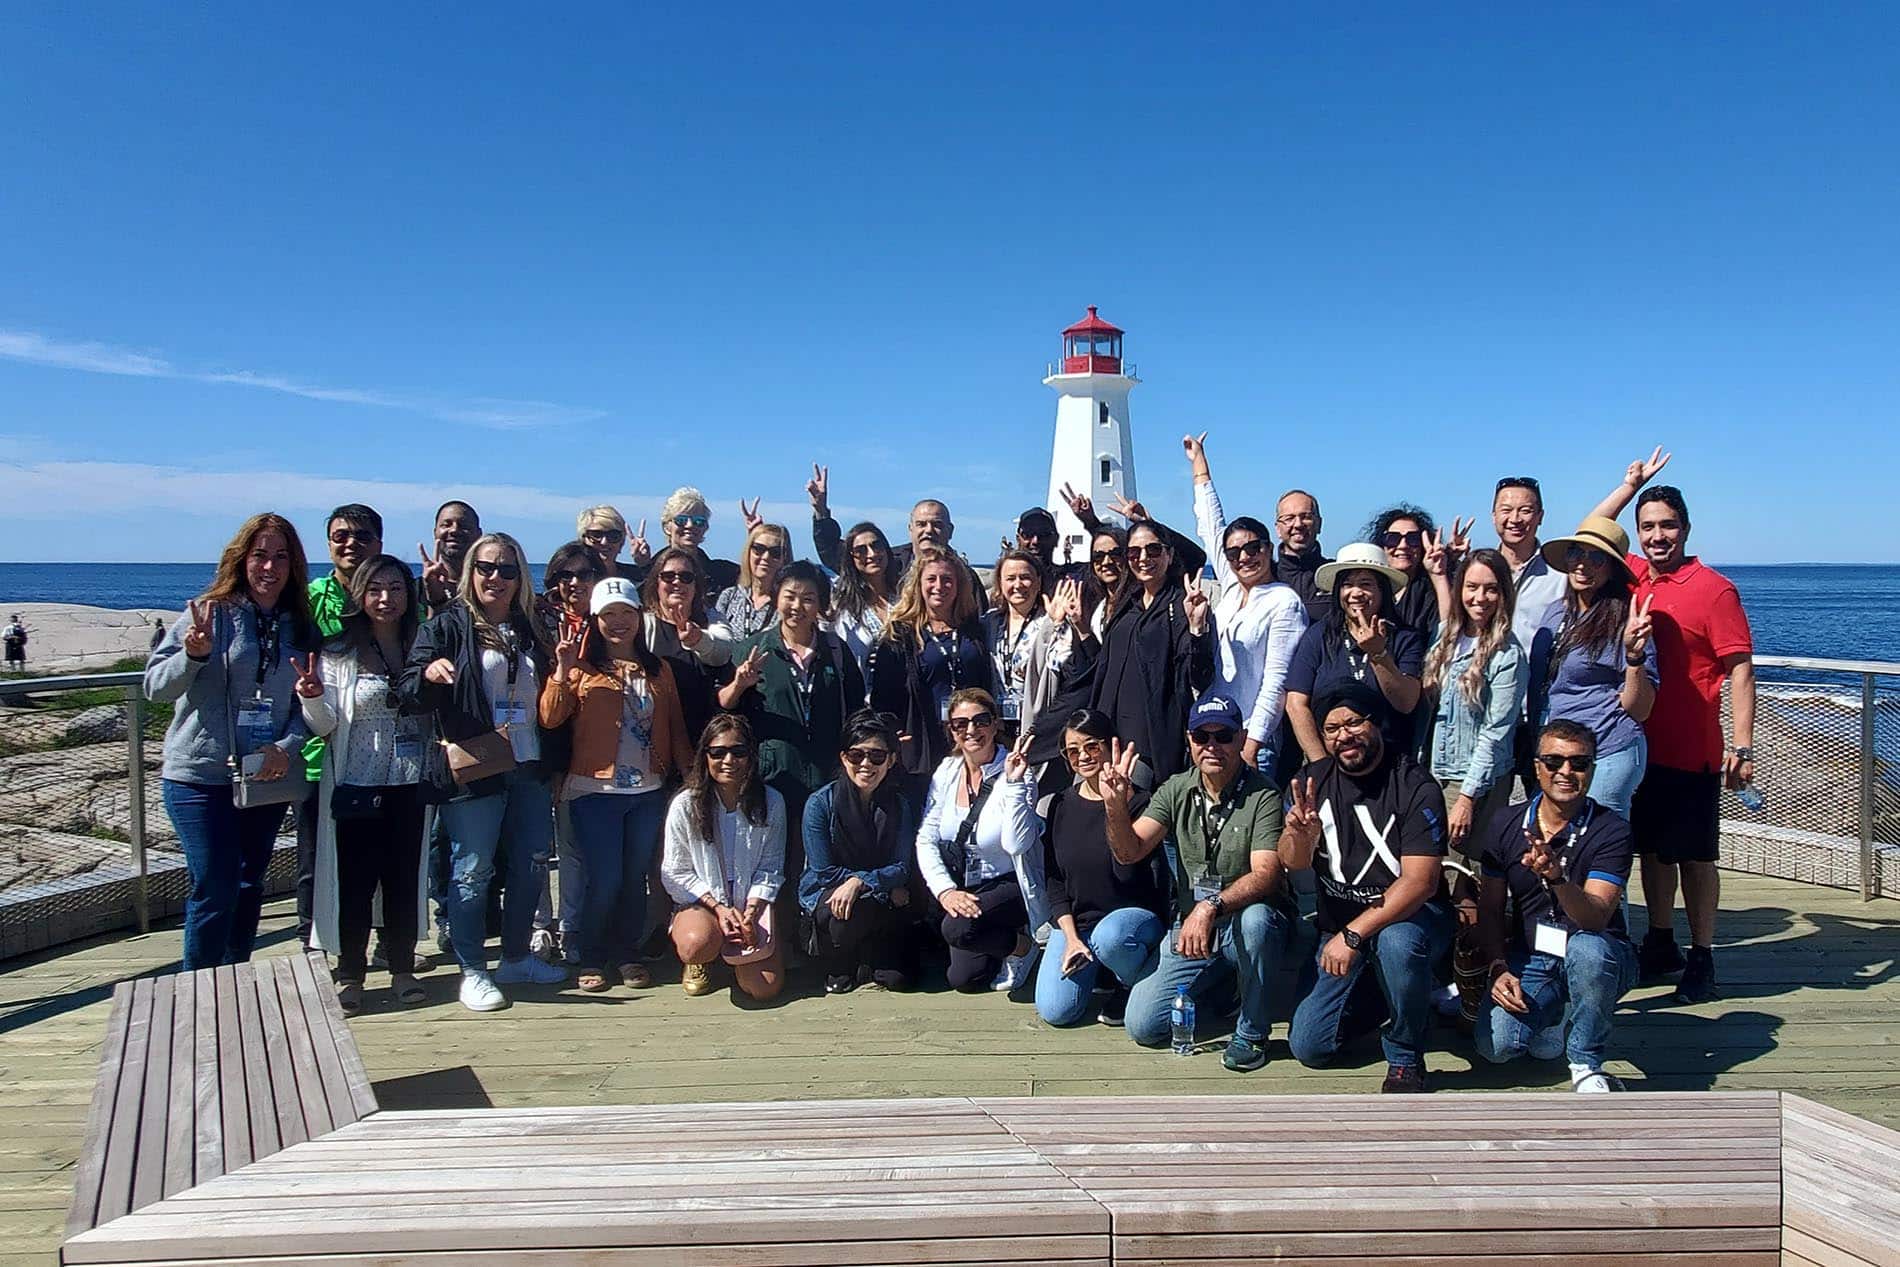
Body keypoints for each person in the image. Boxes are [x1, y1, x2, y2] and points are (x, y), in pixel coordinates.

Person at [1593, 473, 1756, 1003]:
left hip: (1693, 749)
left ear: (1685, 528)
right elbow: (1593, 530)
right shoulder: (1636, 576)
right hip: (1638, 745)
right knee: (1653, 853)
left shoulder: (1714, 589)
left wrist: (1742, 745)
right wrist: (1628, 486)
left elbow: (1740, 670)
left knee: (1695, 856)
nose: (1657, 536)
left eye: (1667, 526)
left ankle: (1702, 956)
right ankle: (1660, 941)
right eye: (1647, 527)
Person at [145, 513, 318, 971]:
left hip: (264, 774)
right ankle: (198, 987)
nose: (269, 567)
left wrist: (287, 746)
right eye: (260, 555)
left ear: (294, 566)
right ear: (242, 560)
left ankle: (234, 976)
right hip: (199, 776)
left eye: (281, 557)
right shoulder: (210, 612)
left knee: (248, 884)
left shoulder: (298, 625)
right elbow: (155, 687)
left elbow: (308, 707)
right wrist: (192, 655)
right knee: (217, 882)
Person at [403, 531, 567, 1013]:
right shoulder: (448, 626)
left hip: (528, 761)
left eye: (508, 569)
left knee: (532, 862)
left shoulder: (534, 626)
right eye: (486, 568)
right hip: (476, 763)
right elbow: (408, 685)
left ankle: (515, 956)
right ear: (470, 572)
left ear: (521, 578)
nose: (496, 578)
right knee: (472, 869)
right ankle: (472, 968)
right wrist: (429, 674)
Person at [1104, 695, 1294, 1071]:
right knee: (1142, 1026)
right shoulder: (1175, 788)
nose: (1212, 746)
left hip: (1240, 920)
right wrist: (1115, 807)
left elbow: (1266, 873)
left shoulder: (1264, 793)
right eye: (1201, 736)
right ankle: (1223, 984)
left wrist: (1210, 907)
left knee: (1257, 921)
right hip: (1194, 929)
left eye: (1222, 735)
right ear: (1189, 740)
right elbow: (1130, 851)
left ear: (1241, 738)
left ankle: (1253, 1032)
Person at [1281, 681, 1453, 1092]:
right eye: (1332, 729)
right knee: (1310, 1046)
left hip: (1410, 920)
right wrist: (1300, 837)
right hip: (1341, 926)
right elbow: (1291, 861)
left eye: (1354, 723)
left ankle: (1405, 1055)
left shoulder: (1415, 785)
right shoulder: (1312, 781)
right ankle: (1395, 995)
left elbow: (1420, 882)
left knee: (1397, 945)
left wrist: (1354, 934)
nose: (1344, 736)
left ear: (1375, 724)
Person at [539, 576, 694, 993]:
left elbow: (676, 727)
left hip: (647, 791)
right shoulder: (583, 669)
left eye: (626, 612)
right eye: (609, 614)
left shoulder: (658, 669)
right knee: (603, 877)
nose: (619, 622)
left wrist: (692, 777)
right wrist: (562, 671)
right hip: (594, 791)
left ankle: (626, 953)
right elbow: (551, 718)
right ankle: (592, 955)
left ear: (639, 616)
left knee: (633, 878)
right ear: (595, 619)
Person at [1474, 719, 1639, 1092]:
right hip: (1533, 955)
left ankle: (1586, 1061)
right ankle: (1559, 1013)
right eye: (1553, 761)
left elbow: (1596, 918)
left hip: (1601, 951)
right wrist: (1497, 967)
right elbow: (1490, 908)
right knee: (1498, 1046)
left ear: (1592, 770)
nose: (1566, 771)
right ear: (1537, 768)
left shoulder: (1612, 830)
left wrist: (1556, 878)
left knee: (1588, 950)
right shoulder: (1505, 822)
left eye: (1579, 763)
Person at [298, 553, 429, 1013]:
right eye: (375, 589)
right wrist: (313, 699)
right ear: (359, 595)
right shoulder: (338, 653)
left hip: (410, 781)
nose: (386, 598)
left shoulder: (423, 646)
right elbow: (325, 725)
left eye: (395, 588)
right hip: (357, 781)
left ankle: (402, 968)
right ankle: (351, 973)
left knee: (402, 880)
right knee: (354, 882)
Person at [719, 562, 866, 875]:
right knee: (777, 870)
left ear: (821, 604)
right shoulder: (752, 649)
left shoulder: (836, 651)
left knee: (826, 865)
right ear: (776, 598)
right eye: (790, 596)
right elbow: (724, 709)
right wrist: (740, 684)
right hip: (774, 779)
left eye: (808, 598)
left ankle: (819, 924)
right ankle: (783, 926)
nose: (797, 606)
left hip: (827, 778)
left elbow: (855, 712)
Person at [1033, 709, 1171, 1028]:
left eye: (1092, 746)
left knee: (1112, 937)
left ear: (1111, 747)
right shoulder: (1059, 805)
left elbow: (1126, 873)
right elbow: (1055, 881)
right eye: (1073, 751)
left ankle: (1128, 982)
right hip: (1080, 925)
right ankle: (1103, 969)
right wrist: (1070, 938)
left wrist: (1115, 805)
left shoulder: (1143, 804)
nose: (1083, 756)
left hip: (1130, 923)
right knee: (1056, 1010)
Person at [1184, 432, 1308, 778]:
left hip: (1253, 738)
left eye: (1253, 548)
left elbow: (1276, 681)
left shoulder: (1285, 602)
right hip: (1212, 731)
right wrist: (1199, 466)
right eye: (1235, 552)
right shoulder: (1232, 587)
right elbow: (1211, 526)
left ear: (1268, 548)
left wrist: (1252, 745)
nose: (1244, 557)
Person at [914, 689, 1045, 993]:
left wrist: (1012, 783)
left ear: (996, 724)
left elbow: (1015, 844)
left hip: (1009, 883)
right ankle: (991, 934)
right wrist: (945, 891)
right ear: (952, 731)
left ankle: (1023, 947)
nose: (971, 730)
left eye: (980, 721)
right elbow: (926, 837)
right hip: (964, 884)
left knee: (957, 928)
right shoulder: (946, 771)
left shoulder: (1019, 774)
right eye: (961, 724)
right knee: (965, 979)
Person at [297, 503, 384, 951]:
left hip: (382, 757)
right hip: (318, 753)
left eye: (362, 536)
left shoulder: (393, 596)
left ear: (379, 544)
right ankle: (314, 946)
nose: (351, 544)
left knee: (384, 859)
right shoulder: (310, 599)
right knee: (317, 859)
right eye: (341, 536)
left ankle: (387, 942)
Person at [1528, 517, 1657, 818]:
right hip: (1559, 750)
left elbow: (1640, 709)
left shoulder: (1625, 619)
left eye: (1596, 557)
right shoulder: (1557, 611)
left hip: (1607, 748)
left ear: (1611, 568)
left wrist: (1634, 656)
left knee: (1599, 843)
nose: (1583, 564)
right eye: (1576, 553)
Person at [661, 713, 787, 1001]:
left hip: (749, 904)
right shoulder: (684, 805)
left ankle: (737, 961)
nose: (728, 760)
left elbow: (771, 866)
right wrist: (718, 908)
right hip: (703, 904)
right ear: (705, 756)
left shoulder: (772, 801)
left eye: (738, 751)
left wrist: (752, 911)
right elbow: (674, 872)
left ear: (750, 756)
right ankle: (702, 959)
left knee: (764, 989)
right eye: (718, 752)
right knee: (696, 944)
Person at [1089, 518, 1215, 789]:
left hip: (1149, 741)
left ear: (1169, 555)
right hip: (1108, 735)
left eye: (1154, 550)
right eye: (1134, 552)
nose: (1143, 558)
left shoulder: (1180, 605)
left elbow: (1199, 676)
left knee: (1135, 814)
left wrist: (1197, 629)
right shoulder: (1127, 602)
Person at [799, 710, 917, 992]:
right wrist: (873, 883)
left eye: (877, 756)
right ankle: (840, 958)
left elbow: (902, 867)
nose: (866, 764)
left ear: (891, 760)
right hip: (831, 897)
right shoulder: (819, 804)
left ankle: (868, 956)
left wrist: (860, 881)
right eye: (856, 755)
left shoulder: (899, 806)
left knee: (899, 979)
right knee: (846, 912)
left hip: (877, 897)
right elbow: (824, 872)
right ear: (843, 758)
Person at [526, 541, 605, 961]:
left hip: (588, 750)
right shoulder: (536, 621)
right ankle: (540, 925)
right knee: (538, 846)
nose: (575, 583)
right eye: (565, 575)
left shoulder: (606, 623)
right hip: (541, 747)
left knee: (574, 849)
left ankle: (571, 927)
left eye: (584, 574)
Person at [1420, 548, 1526, 857]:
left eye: (1491, 589)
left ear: (1504, 593)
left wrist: (1467, 798)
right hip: (1436, 772)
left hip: (1476, 781)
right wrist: (1437, 573)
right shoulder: (1446, 637)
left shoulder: (1507, 654)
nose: (1480, 597)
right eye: (1472, 587)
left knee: (1465, 874)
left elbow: (1496, 733)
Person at [1283, 544, 1424, 764]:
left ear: (1382, 590)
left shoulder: (1406, 637)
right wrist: (1321, 764)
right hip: (1331, 762)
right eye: (1347, 585)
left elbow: (1406, 702)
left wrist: (1378, 654)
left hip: (1392, 766)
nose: (1355, 593)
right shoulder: (1319, 635)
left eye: (1365, 584)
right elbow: (1295, 703)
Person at [867, 544, 992, 786]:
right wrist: (891, 735)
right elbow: (883, 697)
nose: (939, 586)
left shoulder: (973, 630)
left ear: (958, 585)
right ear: (918, 585)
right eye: (931, 579)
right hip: (923, 746)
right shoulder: (900, 635)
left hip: (970, 740)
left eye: (947, 579)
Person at [639, 545, 737, 746]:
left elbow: (723, 651)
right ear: (656, 583)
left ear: (696, 585)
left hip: (704, 736)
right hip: (655, 736)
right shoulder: (642, 624)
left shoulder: (712, 619)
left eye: (686, 577)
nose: (677, 582)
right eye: (668, 576)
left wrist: (697, 639)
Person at [981, 550, 1076, 740]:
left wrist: (1056, 625)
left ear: (1038, 581)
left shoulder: (1050, 622)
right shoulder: (989, 622)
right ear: (1000, 582)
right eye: (1010, 578)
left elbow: (1062, 668)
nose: (1018, 585)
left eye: (1025, 577)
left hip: (1036, 724)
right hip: (994, 728)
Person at [1490, 477, 1566, 659]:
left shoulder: (1560, 573)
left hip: (1541, 681)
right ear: (1494, 516)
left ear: (1540, 517)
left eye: (1525, 511)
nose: (1515, 519)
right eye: (1506, 510)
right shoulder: (1481, 571)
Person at [827, 520, 899, 682]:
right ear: (850, 557)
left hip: (906, 698)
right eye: (861, 550)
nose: (872, 554)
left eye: (876, 545)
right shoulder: (841, 604)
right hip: (861, 698)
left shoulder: (905, 598)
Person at [1362, 503, 1443, 639]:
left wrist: (1440, 574)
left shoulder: (1432, 594)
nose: (1403, 545)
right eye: (1393, 539)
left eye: (1413, 539)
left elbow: (1448, 628)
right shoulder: (1367, 589)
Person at [714, 521, 790, 639]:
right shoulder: (729, 596)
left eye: (775, 552)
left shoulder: (788, 603)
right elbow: (716, 641)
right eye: (758, 549)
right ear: (748, 552)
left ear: (785, 558)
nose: (765, 557)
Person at [658, 486, 739, 594]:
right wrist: (643, 566)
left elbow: (757, 579)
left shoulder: (723, 574)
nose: (690, 525)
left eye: (698, 521)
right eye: (681, 520)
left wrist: (754, 538)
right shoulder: (651, 572)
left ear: (705, 528)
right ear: (667, 527)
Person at [1274, 489, 1333, 623]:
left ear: (1319, 524)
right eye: (1289, 518)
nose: (1298, 524)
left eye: (1306, 517)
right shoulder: (1267, 578)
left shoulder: (1337, 575)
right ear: (1278, 529)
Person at [418, 500, 480, 613]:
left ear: (479, 534)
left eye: (464, 525)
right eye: (446, 525)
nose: (454, 530)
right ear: (435, 532)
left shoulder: (488, 588)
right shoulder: (411, 591)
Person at [577, 505, 648, 581]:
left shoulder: (636, 577)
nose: (604, 542)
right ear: (583, 539)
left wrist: (644, 565)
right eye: (596, 535)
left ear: (622, 542)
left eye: (613, 536)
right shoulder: (573, 577)